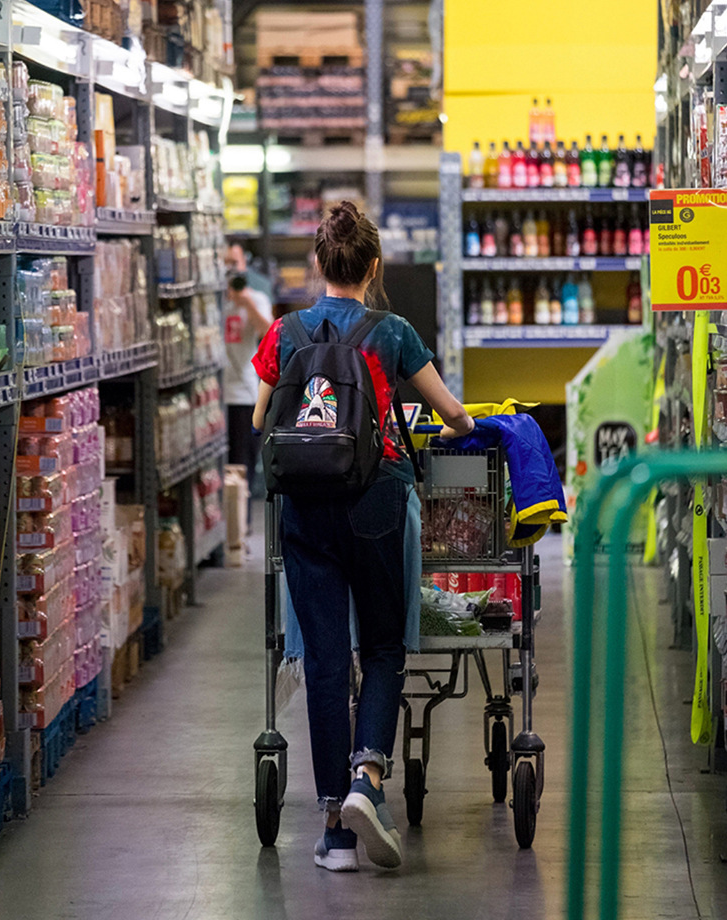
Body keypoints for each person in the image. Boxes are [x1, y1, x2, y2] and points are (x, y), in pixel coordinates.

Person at [251, 201, 474, 872]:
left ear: (317, 263)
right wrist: (462, 429)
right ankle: (366, 778)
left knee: (325, 660)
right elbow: (453, 413)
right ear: (374, 266)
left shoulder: (285, 332)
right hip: (376, 501)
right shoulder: (393, 331)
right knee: (381, 647)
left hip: (304, 506)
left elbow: (260, 420)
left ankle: (335, 834)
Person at [223, 263, 273, 514]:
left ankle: (241, 523)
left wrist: (246, 304)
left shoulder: (256, 299)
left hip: (243, 393)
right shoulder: (214, 301)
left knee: (243, 463)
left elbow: (269, 332)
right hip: (216, 394)